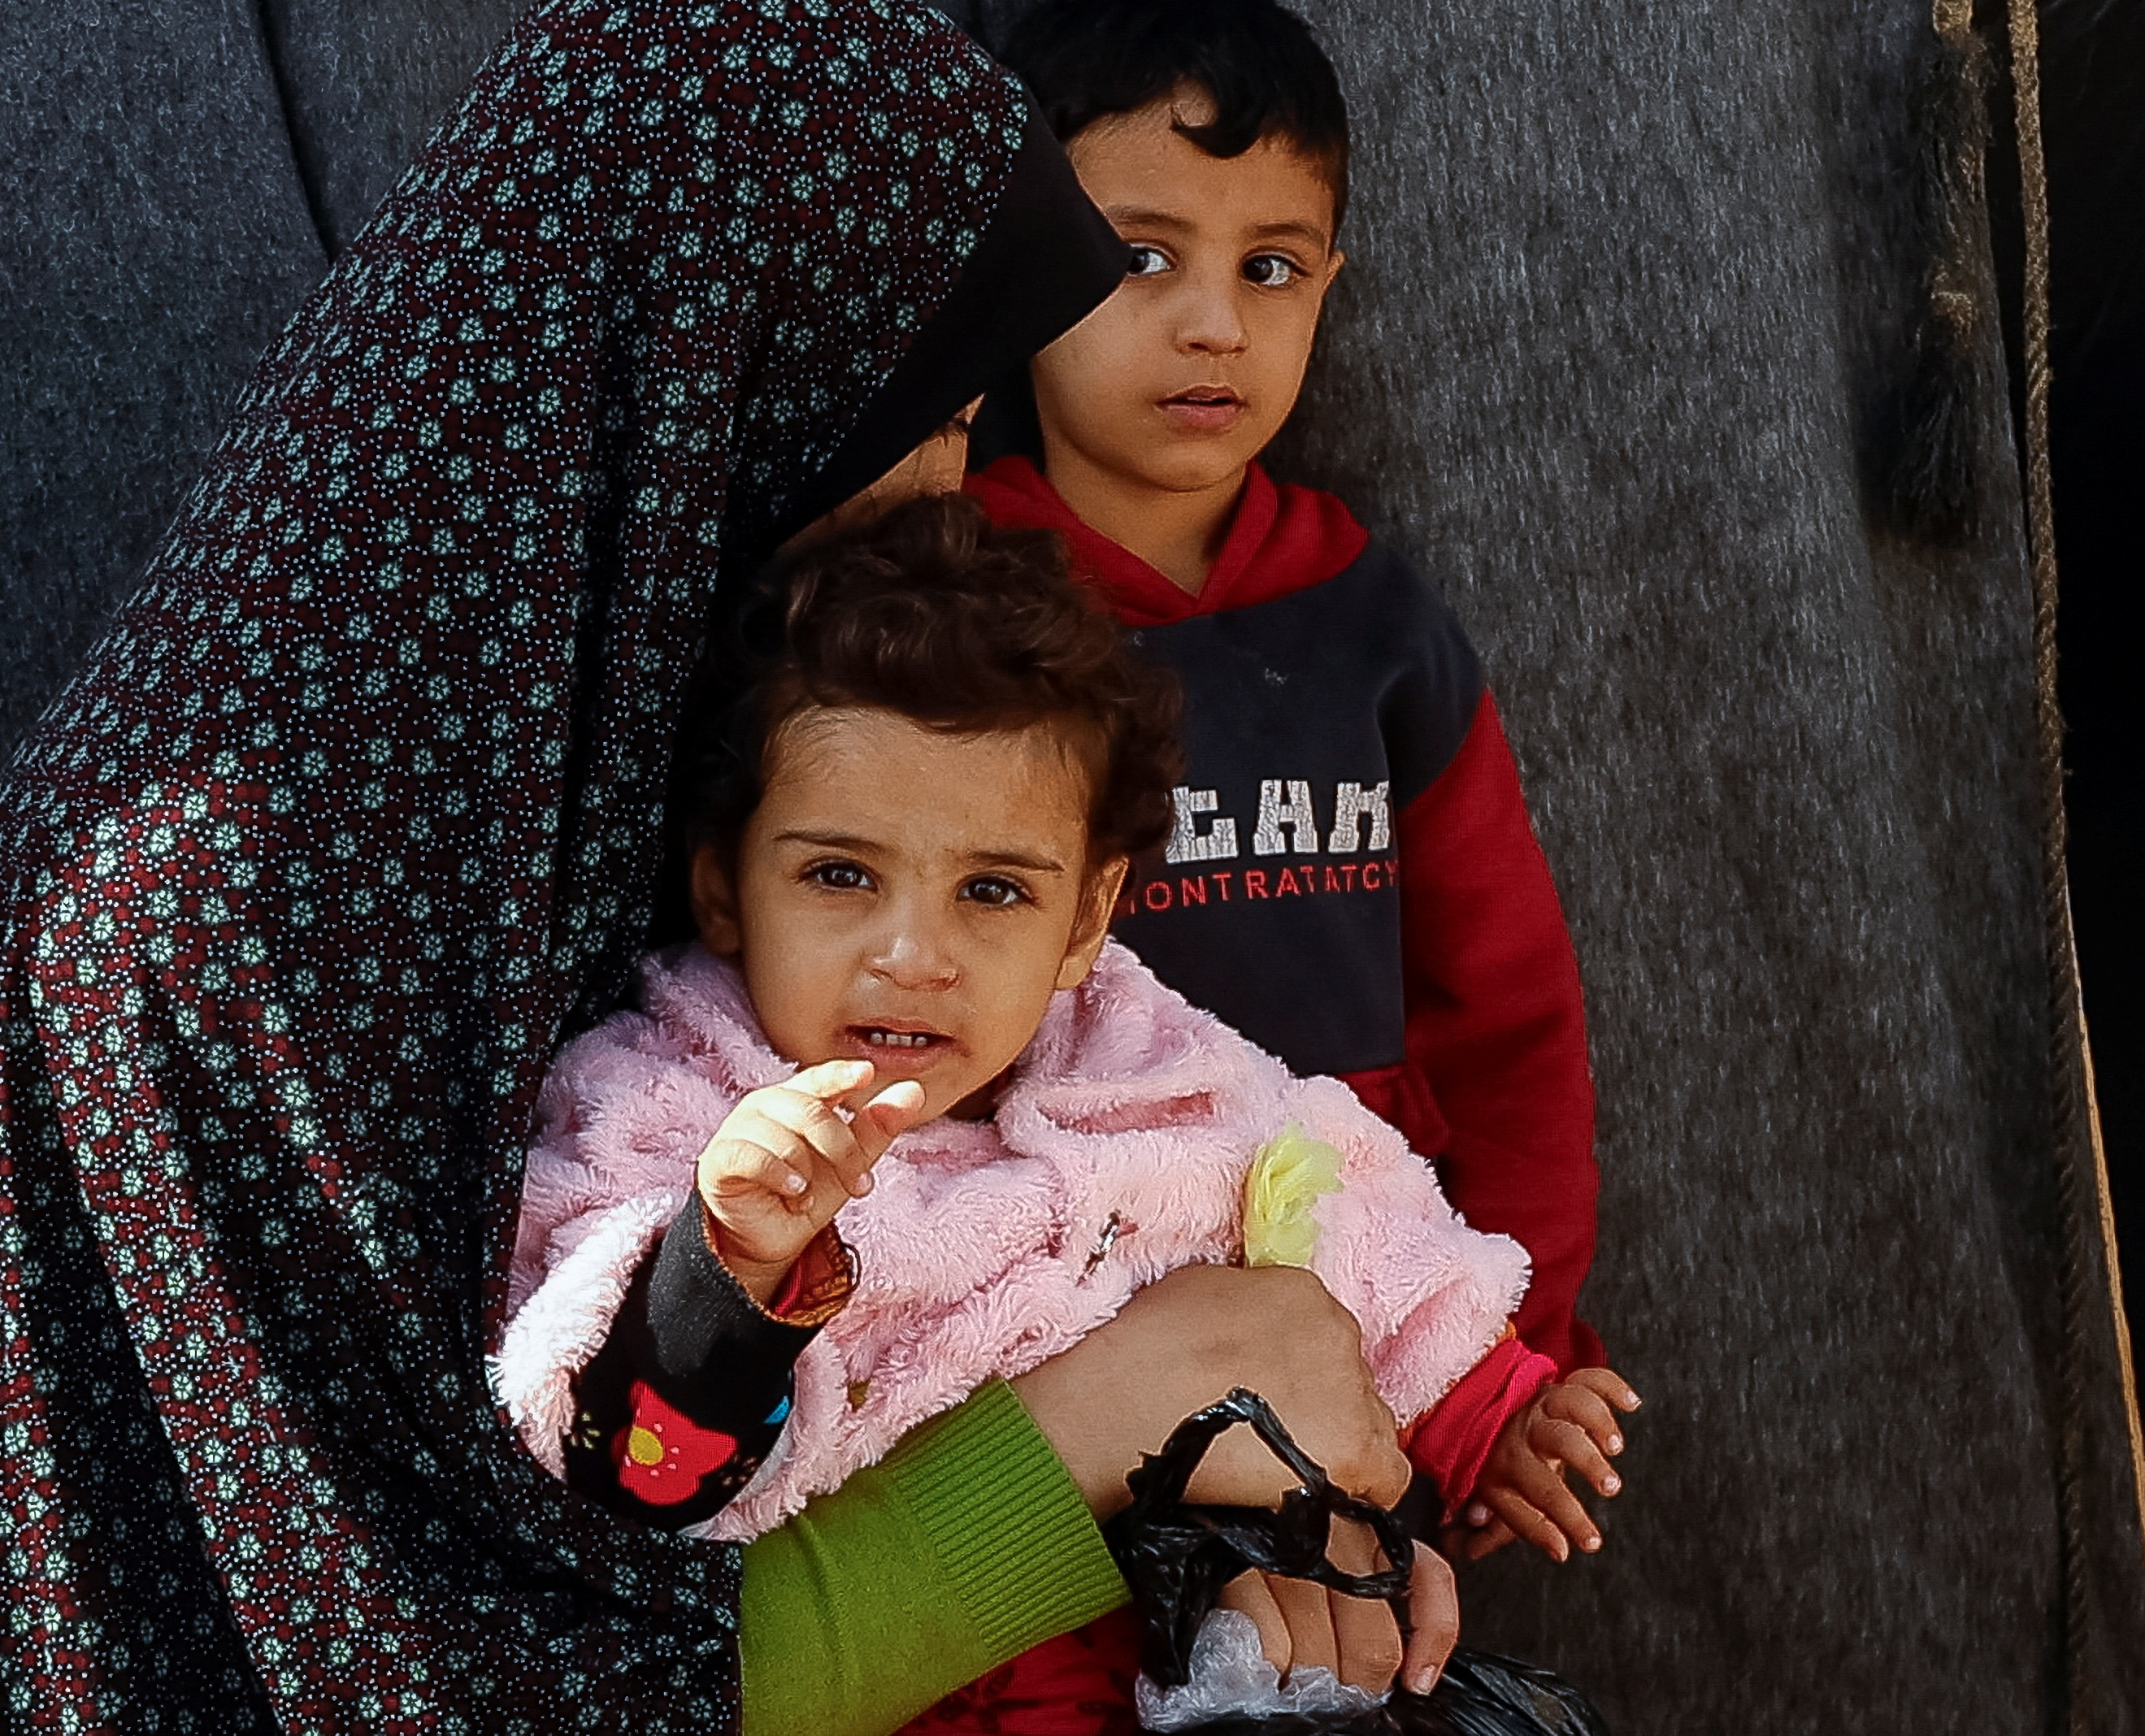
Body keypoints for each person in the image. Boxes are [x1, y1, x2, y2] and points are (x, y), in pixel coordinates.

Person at [0, 0, 1451, 1736]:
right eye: (924, 416)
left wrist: (1229, 1516)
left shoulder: (534, 758)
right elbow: (472, 1677)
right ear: (709, 371)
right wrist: (1124, 1419)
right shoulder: (216, 946)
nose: (951, 493)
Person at [498, 497, 1565, 1731]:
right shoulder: (664, 1107)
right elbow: (607, 1462)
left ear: (1083, 920)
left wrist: (1491, 1404)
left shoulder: (1143, 1068)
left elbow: (1340, 1215)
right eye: (839, 874)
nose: (912, 952)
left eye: (991, 890)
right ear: (723, 887)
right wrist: (722, 1267)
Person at [964, 0, 1636, 1565]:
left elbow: (1514, 1011)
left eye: (1272, 267)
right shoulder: (943, 610)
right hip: (1059, 1299)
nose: (1215, 323)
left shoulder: (1372, 623)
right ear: (1012, 273)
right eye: (1137, 257)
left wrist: (1506, 1349)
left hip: (1374, 1290)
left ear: (1333, 281)